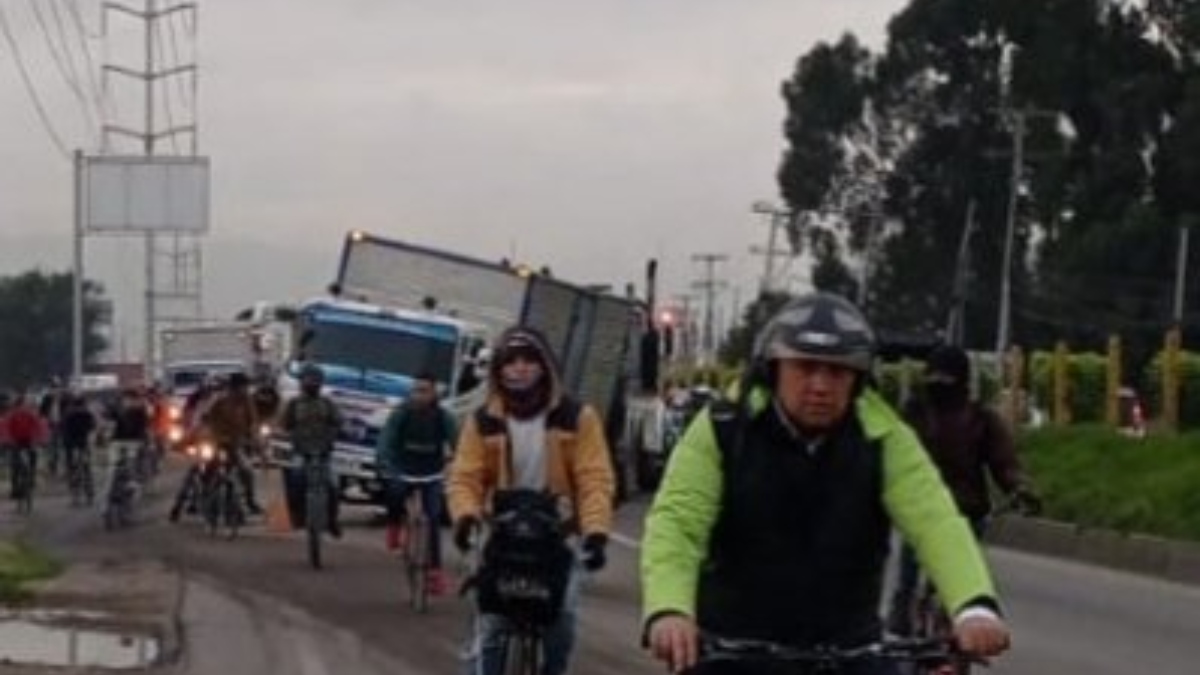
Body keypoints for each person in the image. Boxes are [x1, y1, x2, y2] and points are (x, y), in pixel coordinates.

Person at [640, 292, 1011, 675]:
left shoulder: (883, 435)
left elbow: (936, 521)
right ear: (773, 369)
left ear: (858, 379)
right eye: (805, 367)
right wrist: (669, 610)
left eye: (837, 372)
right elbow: (677, 524)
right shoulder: (724, 429)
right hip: (732, 649)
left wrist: (974, 606)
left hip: (849, 649)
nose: (820, 385)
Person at [448, 326, 615, 675]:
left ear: (545, 366)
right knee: (489, 627)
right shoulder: (482, 421)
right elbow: (465, 477)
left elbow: (594, 479)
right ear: (498, 371)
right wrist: (465, 516)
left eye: (528, 360)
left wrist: (596, 533)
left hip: (558, 536)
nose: (520, 368)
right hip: (502, 535)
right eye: (511, 362)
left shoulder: (577, 417)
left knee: (562, 622)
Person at [885, 344, 1041, 636]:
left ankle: (959, 621)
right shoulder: (915, 413)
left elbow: (1004, 462)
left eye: (947, 380)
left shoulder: (982, 419)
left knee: (962, 577)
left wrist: (1020, 488)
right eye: (935, 380)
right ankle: (902, 613)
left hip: (968, 511)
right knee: (909, 573)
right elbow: (891, 456)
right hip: (921, 510)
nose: (940, 388)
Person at [376, 371, 458, 593]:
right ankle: (394, 526)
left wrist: (459, 461)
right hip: (403, 468)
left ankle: (435, 572)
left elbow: (458, 442)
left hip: (432, 472)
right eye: (415, 390)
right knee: (395, 492)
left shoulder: (443, 417)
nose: (419, 395)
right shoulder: (401, 413)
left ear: (434, 393)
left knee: (434, 517)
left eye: (424, 391)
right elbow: (386, 439)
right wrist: (384, 460)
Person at [280, 364, 343, 538]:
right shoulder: (294, 404)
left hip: (324, 453)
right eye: (308, 380)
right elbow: (284, 424)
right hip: (301, 452)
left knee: (333, 486)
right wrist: (288, 435)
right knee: (296, 479)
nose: (311, 384)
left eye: (315, 381)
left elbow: (338, 422)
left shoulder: (327, 404)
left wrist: (334, 434)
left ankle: (332, 520)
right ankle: (297, 516)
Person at [199, 373, 263, 514]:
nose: (244, 390)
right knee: (209, 466)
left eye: (245, 387)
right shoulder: (219, 401)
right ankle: (204, 495)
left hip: (236, 443)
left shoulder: (247, 402)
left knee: (247, 471)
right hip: (216, 441)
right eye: (242, 387)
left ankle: (250, 501)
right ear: (233, 388)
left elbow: (253, 422)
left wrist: (255, 438)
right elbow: (206, 418)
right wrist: (206, 433)